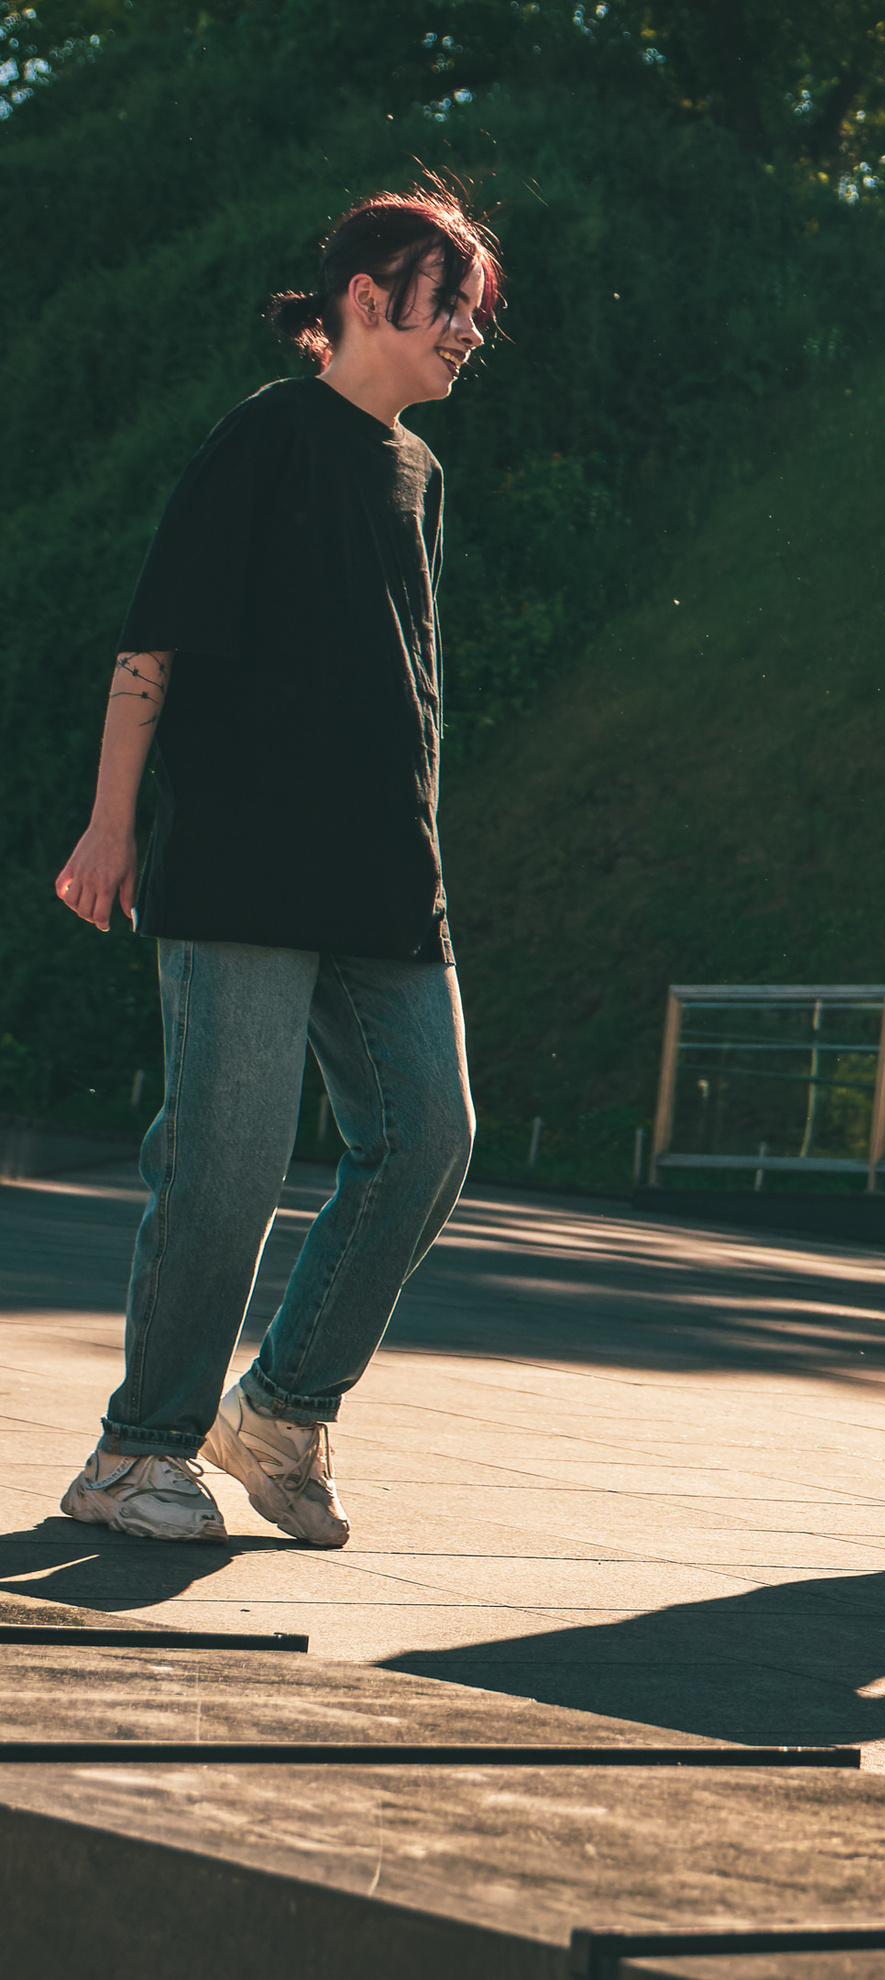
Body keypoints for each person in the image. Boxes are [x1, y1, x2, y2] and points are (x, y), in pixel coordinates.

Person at [53, 183, 499, 1549]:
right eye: (451, 303)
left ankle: (285, 1410)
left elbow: (410, 687)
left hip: (382, 879)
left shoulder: (418, 475)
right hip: (242, 863)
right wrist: (112, 824)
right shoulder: (267, 436)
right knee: (228, 1164)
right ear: (368, 295)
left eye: (481, 315)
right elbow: (155, 645)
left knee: (429, 1138)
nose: (471, 334)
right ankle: (138, 1454)